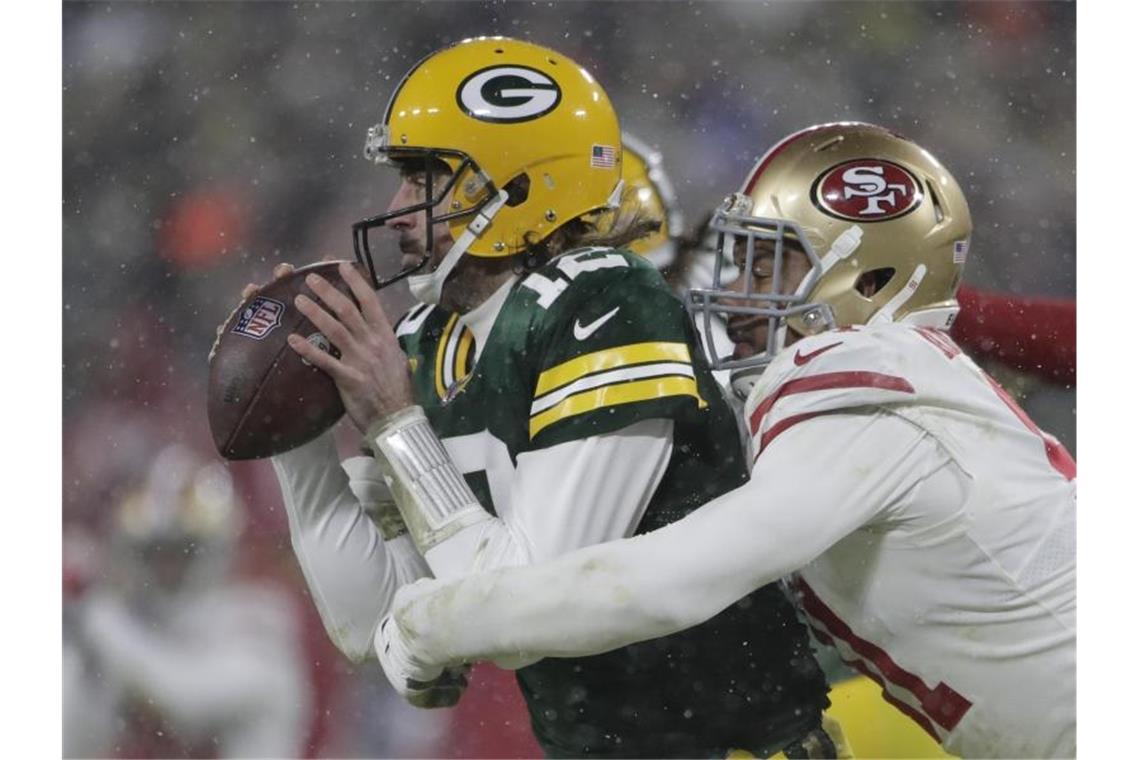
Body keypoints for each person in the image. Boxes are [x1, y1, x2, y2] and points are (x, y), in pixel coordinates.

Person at [373, 122, 1076, 759]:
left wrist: (435, 621)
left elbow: (666, 586)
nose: (736, 292)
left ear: (871, 274)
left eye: (768, 266)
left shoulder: (863, 386)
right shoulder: (893, 383)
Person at [264, 36, 835, 758]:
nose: (397, 208)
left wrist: (395, 424)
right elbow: (370, 626)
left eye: (423, 179)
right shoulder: (427, 339)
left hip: (740, 746)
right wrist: (295, 434)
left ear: (517, 188)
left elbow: (527, 603)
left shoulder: (603, 298)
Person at [63, 445, 312, 758]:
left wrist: (97, 618)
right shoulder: (129, 632)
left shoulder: (259, 618)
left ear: (213, 548)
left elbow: (184, 698)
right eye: (156, 554)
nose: (167, 569)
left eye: (181, 553)